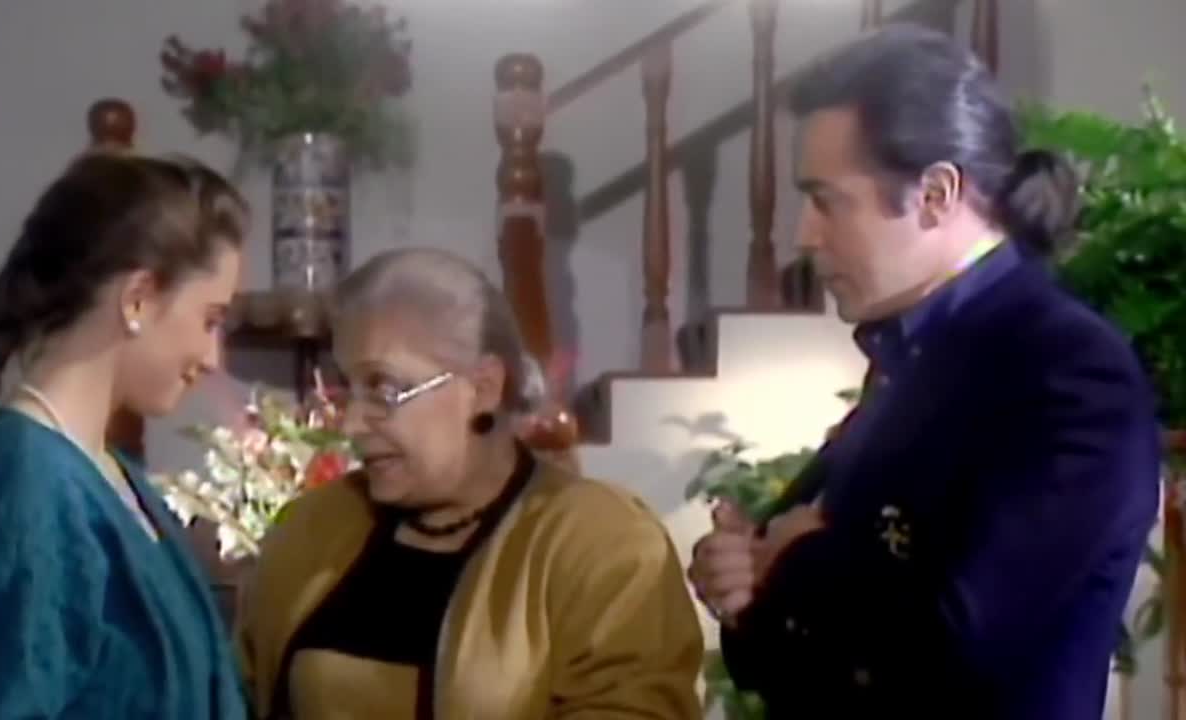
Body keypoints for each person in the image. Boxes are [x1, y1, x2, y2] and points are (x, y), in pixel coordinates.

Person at [687, 23, 1160, 720]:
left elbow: (958, 648)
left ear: (936, 194)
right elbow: (790, 648)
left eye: (826, 201)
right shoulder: (909, 364)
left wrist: (794, 563)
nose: (802, 236)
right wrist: (744, 585)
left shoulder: (1067, 370)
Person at [236, 247, 703, 719]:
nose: (353, 423)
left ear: (483, 389)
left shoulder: (602, 542)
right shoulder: (312, 528)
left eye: (383, 389)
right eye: (348, 389)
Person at [0, 151, 251, 719]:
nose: (212, 357)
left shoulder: (111, 474)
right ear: (138, 300)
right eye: (210, 320)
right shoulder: (24, 480)